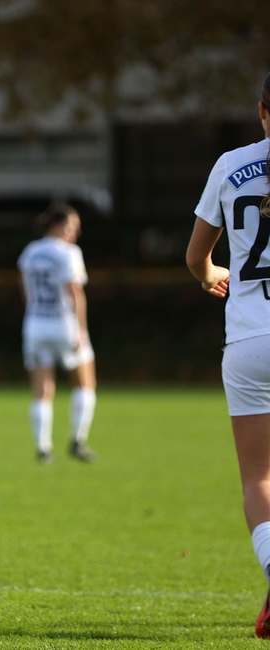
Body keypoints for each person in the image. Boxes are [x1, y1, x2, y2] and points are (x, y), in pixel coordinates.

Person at [186, 71, 270, 639]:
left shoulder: (231, 164)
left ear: (263, 110)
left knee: (260, 477)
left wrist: (213, 273)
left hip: (250, 342)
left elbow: (196, 257)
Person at [17, 204, 98, 464]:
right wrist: (82, 330)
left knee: (42, 390)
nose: (75, 232)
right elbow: (75, 291)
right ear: (55, 225)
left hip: (35, 324)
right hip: (64, 324)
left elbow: (25, 289)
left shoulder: (30, 251)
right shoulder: (69, 253)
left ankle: (43, 448)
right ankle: (77, 440)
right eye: (70, 226)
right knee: (85, 384)